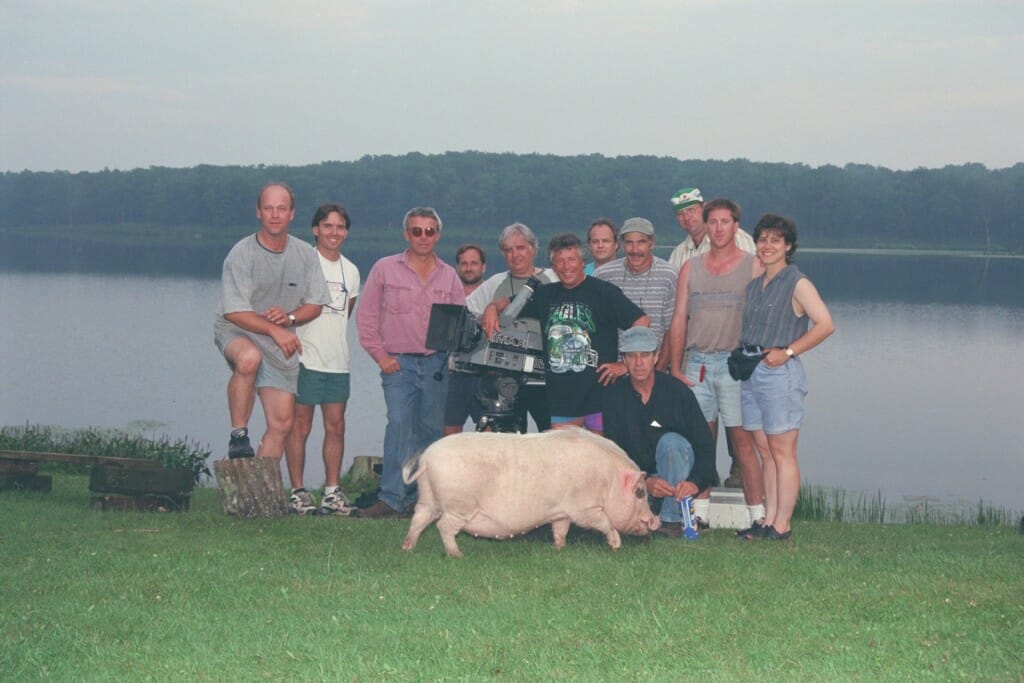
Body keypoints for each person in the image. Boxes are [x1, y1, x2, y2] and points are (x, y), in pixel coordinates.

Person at [356, 207, 465, 518]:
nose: (423, 236)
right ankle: (390, 498)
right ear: (406, 234)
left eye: (430, 231)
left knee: (431, 434)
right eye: (417, 230)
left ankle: (424, 500)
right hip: (398, 366)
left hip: (436, 367)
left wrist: (450, 357)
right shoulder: (384, 269)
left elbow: (459, 324)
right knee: (400, 426)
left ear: (438, 235)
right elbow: (366, 319)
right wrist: (381, 357)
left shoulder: (449, 275)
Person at [482, 233, 649, 435]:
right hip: (562, 399)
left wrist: (625, 365)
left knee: (599, 458)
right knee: (563, 461)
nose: (566, 266)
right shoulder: (545, 294)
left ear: (582, 262)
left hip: (600, 394)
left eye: (571, 259)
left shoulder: (604, 292)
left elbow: (641, 322)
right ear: (553, 266)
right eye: (559, 261)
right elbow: (508, 303)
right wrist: (491, 308)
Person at [214, 182, 330, 461]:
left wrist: (290, 318)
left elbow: (315, 304)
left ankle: (257, 491)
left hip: (279, 341)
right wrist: (275, 330)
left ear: (292, 214)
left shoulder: (304, 255)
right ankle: (238, 435)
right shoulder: (241, 254)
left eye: (281, 208)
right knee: (249, 358)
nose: (275, 215)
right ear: (258, 212)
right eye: (268, 208)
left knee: (281, 425)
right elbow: (233, 311)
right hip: (237, 329)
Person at [669, 198, 765, 531]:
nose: (719, 228)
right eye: (713, 222)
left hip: (735, 365)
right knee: (702, 441)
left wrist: (762, 358)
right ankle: (701, 512)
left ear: (737, 226)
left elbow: (766, 316)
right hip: (697, 363)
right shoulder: (690, 268)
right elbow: (679, 318)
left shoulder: (753, 265)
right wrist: (675, 367)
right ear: (705, 226)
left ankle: (758, 516)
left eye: (726, 222)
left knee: (743, 444)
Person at [739, 213, 834, 541]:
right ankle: (768, 519)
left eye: (775, 240)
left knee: (782, 451)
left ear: (788, 246)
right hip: (752, 372)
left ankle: (783, 525)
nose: (767, 246)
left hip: (780, 373)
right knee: (764, 449)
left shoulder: (797, 283)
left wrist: (789, 352)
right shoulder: (755, 285)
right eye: (762, 239)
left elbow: (825, 324)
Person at [283, 203, 360, 515]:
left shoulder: (352, 271)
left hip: (337, 362)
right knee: (300, 426)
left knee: (336, 426)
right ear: (315, 229)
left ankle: (332, 492)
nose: (334, 232)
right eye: (327, 226)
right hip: (304, 359)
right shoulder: (302, 263)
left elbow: (345, 314)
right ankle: (298, 493)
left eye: (340, 227)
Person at [603, 327, 716, 538]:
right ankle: (645, 513)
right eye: (632, 356)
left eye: (645, 355)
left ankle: (672, 521)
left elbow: (705, 444)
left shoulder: (678, 392)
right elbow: (614, 454)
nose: (639, 363)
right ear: (624, 361)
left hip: (676, 476)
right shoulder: (614, 398)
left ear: (656, 357)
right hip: (636, 482)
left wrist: (694, 482)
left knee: (672, 443)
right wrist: (644, 482)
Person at [462, 223, 556, 433]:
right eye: (508, 250)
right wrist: (487, 310)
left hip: (545, 378)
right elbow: (465, 312)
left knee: (551, 435)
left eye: (520, 248)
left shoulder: (553, 277)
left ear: (533, 248)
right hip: (502, 381)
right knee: (505, 440)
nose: (515, 254)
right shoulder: (495, 282)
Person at [593, 217, 679, 371]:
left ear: (651, 244)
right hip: (613, 369)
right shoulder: (603, 275)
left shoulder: (669, 275)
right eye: (629, 242)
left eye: (641, 242)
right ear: (621, 245)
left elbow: (671, 330)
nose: (635, 249)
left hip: (654, 367)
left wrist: (658, 372)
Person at [443, 243, 488, 436]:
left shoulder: (494, 294)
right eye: (464, 264)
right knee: (449, 432)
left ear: (483, 267)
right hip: (453, 375)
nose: (469, 268)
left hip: (486, 376)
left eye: (474, 263)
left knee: (488, 432)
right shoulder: (447, 295)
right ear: (457, 267)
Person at [668, 188, 755, 269]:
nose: (686, 217)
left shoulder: (736, 237)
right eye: (680, 213)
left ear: (705, 207)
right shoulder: (677, 253)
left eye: (691, 210)